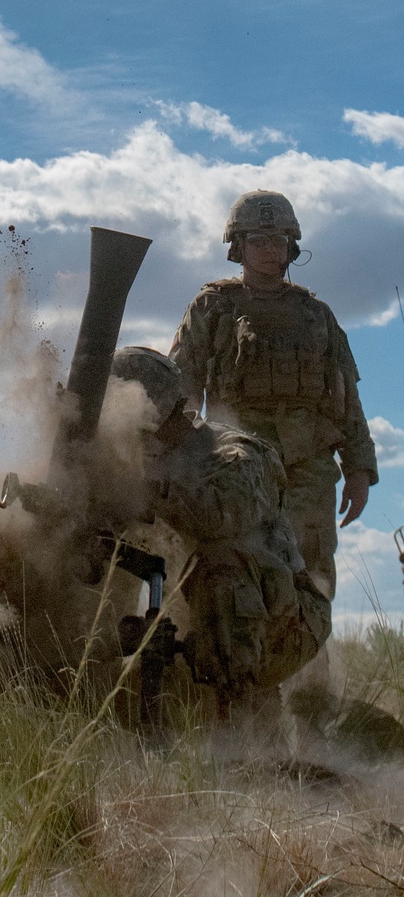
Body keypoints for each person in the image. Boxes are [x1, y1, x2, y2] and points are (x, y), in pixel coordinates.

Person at [169, 191, 378, 605]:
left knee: (311, 579)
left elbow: (346, 399)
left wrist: (359, 469)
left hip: (307, 470)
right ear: (238, 247)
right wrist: (179, 459)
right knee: (235, 573)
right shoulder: (212, 306)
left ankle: (311, 670)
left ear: (292, 246)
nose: (270, 250)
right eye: (259, 241)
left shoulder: (316, 315)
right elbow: (182, 389)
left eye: (279, 240)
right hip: (235, 464)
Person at [110, 346, 331, 714]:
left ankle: (244, 728)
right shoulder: (149, 462)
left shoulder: (236, 452)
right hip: (202, 626)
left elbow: (220, 516)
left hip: (287, 626)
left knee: (217, 562)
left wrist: (148, 489)